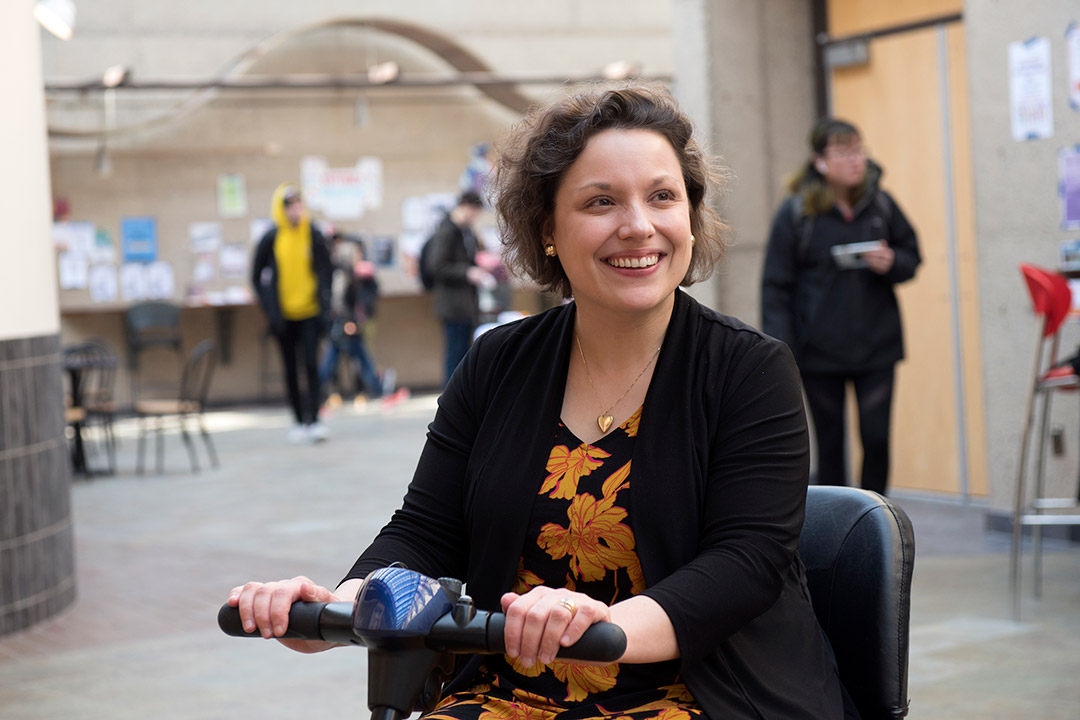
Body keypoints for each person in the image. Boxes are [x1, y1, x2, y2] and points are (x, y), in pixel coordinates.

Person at [229, 85, 853, 719]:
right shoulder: (497, 363)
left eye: (663, 196)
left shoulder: (750, 369)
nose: (638, 225)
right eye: (601, 201)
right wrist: (341, 605)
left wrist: (600, 623)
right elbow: (426, 529)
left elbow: (744, 563)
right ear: (548, 229)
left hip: (696, 696)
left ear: (690, 215)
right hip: (505, 696)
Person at [761, 118, 921, 496]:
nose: (855, 160)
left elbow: (912, 255)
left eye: (858, 149)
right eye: (844, 152)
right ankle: (838, 532)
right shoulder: (797, 214)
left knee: (877, 438)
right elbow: (776, 287)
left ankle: (878, 519)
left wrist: (892, 262)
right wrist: (782, 351)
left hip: (877, 344)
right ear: (820, 162)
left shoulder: (880, 203)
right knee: (830, 446)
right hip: (818, 351)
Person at [251, 184, 332, 444]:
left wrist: (324, 302)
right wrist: (269, 307)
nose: (295, 210)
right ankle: (298, 421)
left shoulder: (313, 234)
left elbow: (326, 270)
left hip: (310, 312)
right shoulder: (272, 237)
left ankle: (315, 420)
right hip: (283, 317)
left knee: (310, 364)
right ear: (281, 209)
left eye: (298, 204)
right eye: (289, 205)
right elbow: (256, 276)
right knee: (290, 369)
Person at [427, 189, 498, 386]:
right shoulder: (447, 230)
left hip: (466, 303)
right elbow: (437, 266)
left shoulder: (466, 231)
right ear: (465, 207)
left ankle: (459, 398)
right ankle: (450, 399)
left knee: (464, 352)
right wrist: (468, 272)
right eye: (474, 212)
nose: (474, 217)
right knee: (455, 353)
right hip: (452, 304)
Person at [318, 232, 384, 406]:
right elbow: (339, 302)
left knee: (357, 358)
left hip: (350, 323)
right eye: (356, 254)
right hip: (343, 324)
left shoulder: (353, 274)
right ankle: (378, 391)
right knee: (335, 361)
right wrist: (348, 321)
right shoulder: (343, 275)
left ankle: (377, 390)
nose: (359, 257)